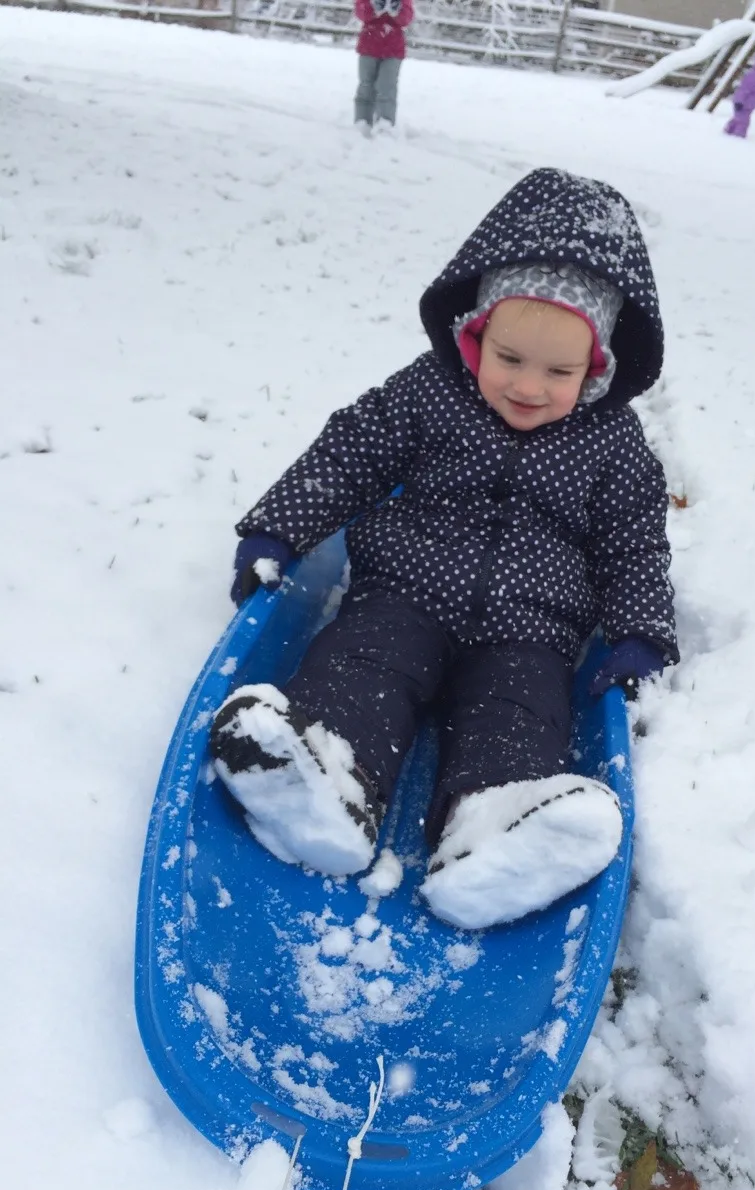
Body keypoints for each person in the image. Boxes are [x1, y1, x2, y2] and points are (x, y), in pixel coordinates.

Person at [210, 167, 678, 931]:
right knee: (362, 668)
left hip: (531, 629)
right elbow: (351, 453)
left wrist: (638, 633)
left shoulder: (613, 445)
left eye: (559, 372)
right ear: (475, 334)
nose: (529, 387)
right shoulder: (430, 392)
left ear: (597, 368)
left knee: (517, 717)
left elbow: (633, 543)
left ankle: (491, 836)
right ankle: (326, 785)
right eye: (509, 359)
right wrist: (278, 527)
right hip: (406, 591)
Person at [354, 0, 413, 135]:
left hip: (393, 49)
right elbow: (360, 12)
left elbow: (407, 18)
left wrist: (397, 11)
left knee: (387, 86)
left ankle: (385, 123)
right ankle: (362, 122)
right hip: (368, 46)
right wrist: (373, 8)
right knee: (366, 86)